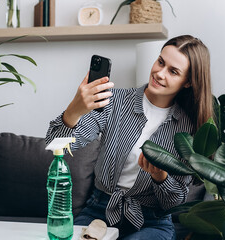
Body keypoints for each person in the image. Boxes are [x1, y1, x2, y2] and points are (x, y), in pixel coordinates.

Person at [45, 35, 213, 239]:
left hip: (152, 222)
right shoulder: (113, 102)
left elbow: (174, 203)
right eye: (160, 62)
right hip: (99, 212)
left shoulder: (189, 129)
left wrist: (160, 177)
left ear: (187, 82)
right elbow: (54, 144)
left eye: (173, 71)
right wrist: (74, 110)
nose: (159, 73)